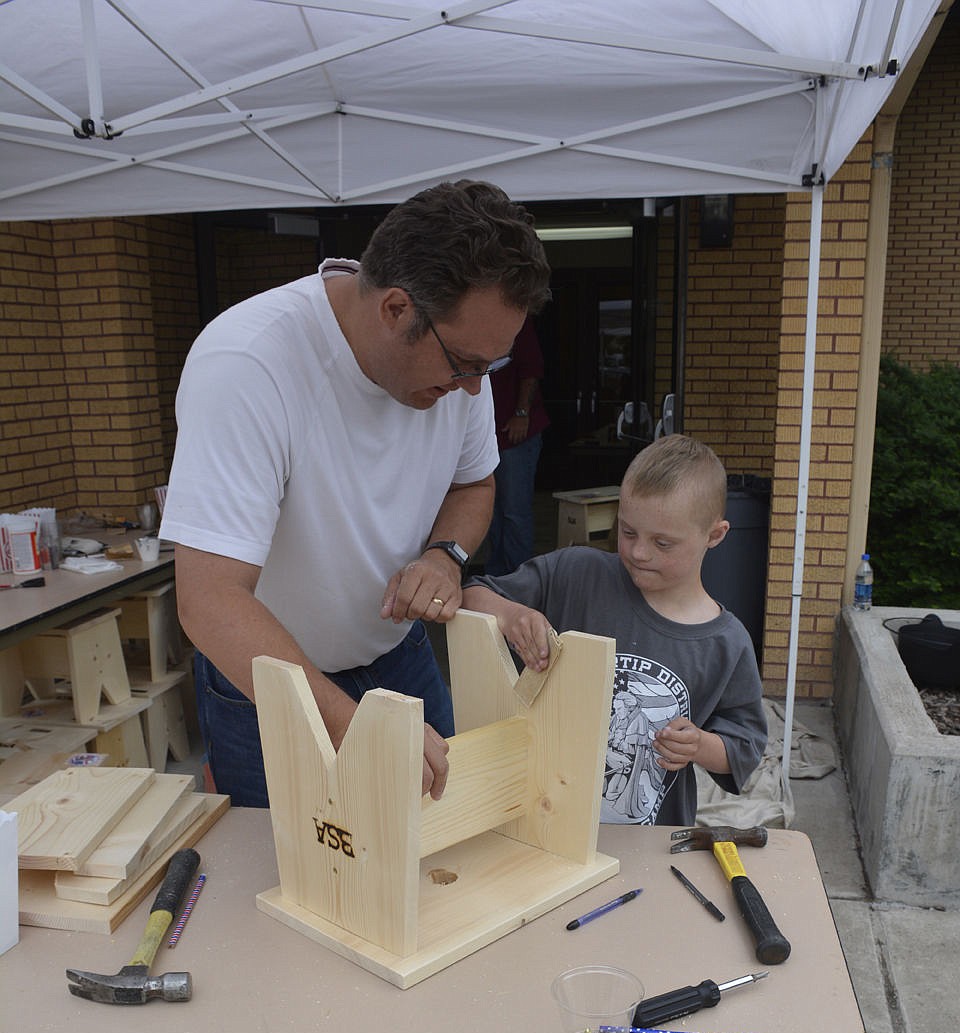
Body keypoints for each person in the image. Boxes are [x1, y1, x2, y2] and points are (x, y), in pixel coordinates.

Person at [159, 180, 551, 808]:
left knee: (433, 854)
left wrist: (443, 556)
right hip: (268, 681)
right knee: (287, 880)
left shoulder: (459, 369)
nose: (477, 390)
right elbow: (207, 599)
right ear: (396, 309)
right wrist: (355, 728)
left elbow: (475, 481)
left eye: (491, 367)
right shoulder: (248, 363)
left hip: (398, 656)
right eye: (466, 365)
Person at [460, 434, 766, 828]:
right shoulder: (575, 573)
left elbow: (744, 747)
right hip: (541, 823)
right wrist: (511, 614)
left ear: (715, 535)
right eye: (628, 531)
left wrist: (700, 745)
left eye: (663, 542)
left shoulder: (727, 642)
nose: (639, 552)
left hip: (649, 843)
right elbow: (471, 594)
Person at [485, 315, 549, 574]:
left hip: (515, 432)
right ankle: (497, 575)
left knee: (514, 511)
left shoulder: (516, 320)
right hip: (488, 435)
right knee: (490, 511)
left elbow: (531, 370)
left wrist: (521, 413)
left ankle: (519, 578)